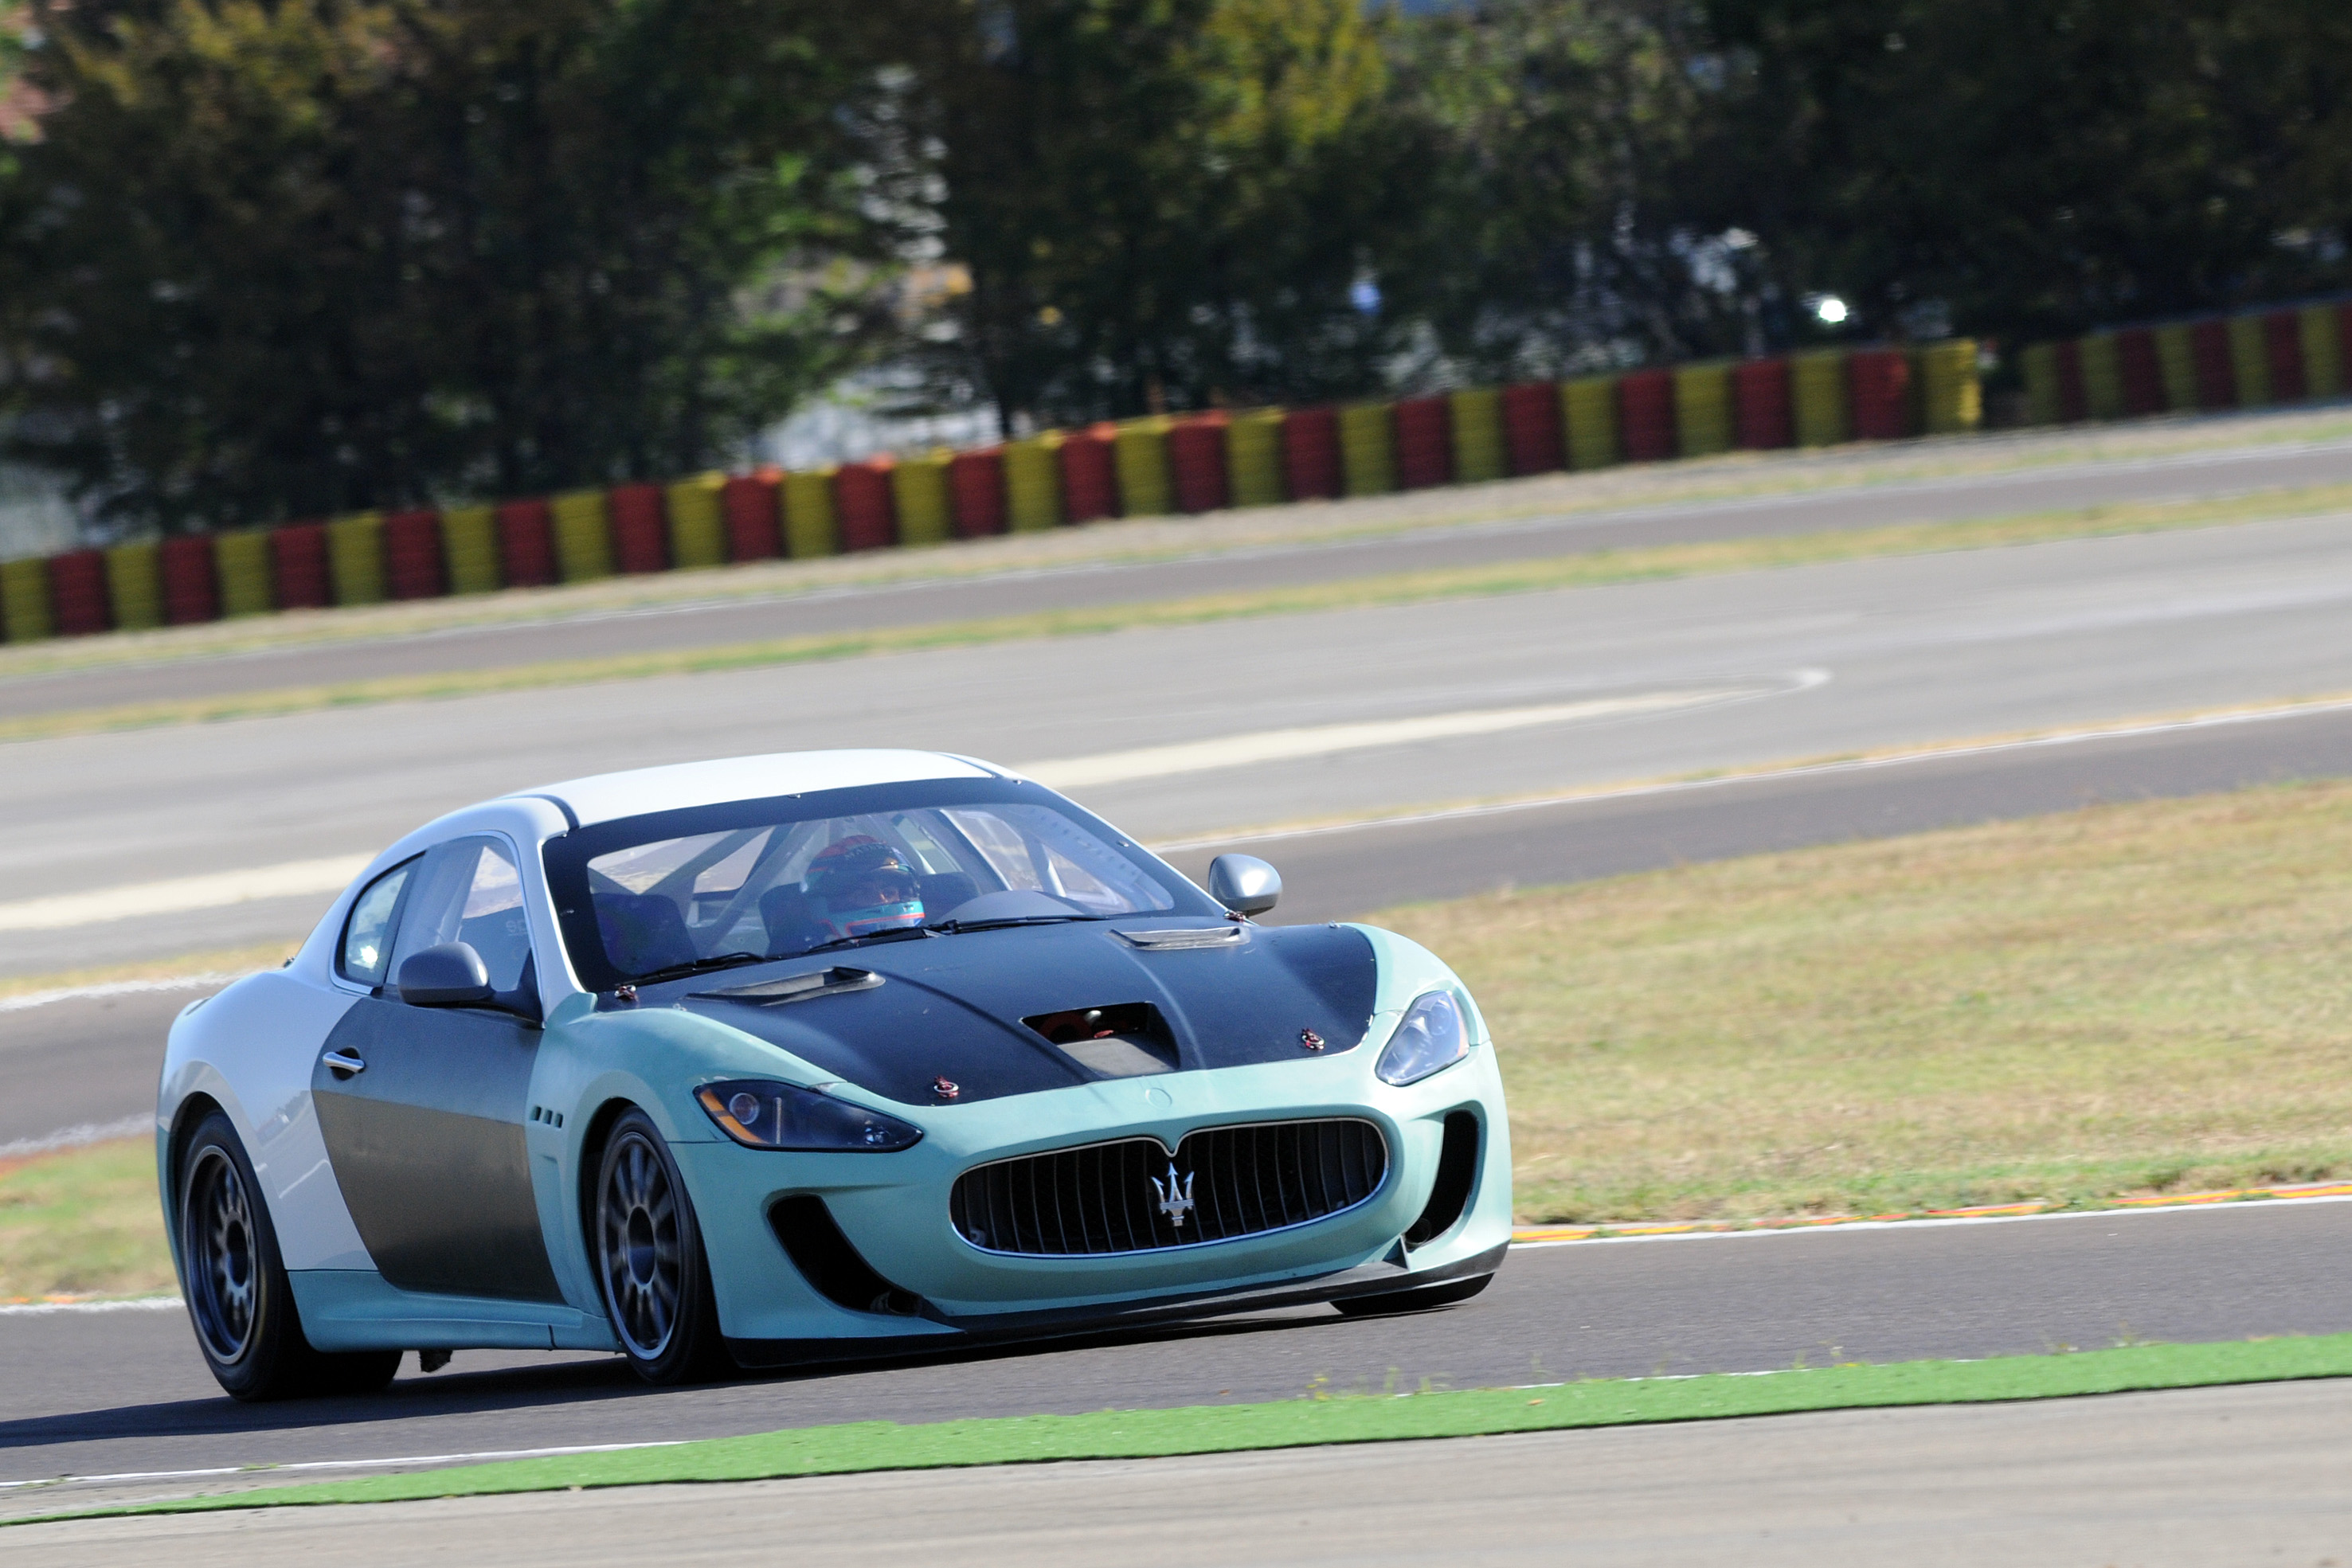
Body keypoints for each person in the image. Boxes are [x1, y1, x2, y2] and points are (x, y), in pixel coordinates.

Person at [800, 835, 926, 941]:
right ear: (831, 903)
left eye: (889, 892)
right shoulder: (803, 961)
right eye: (864, 893)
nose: (882, 900)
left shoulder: (937, 935)